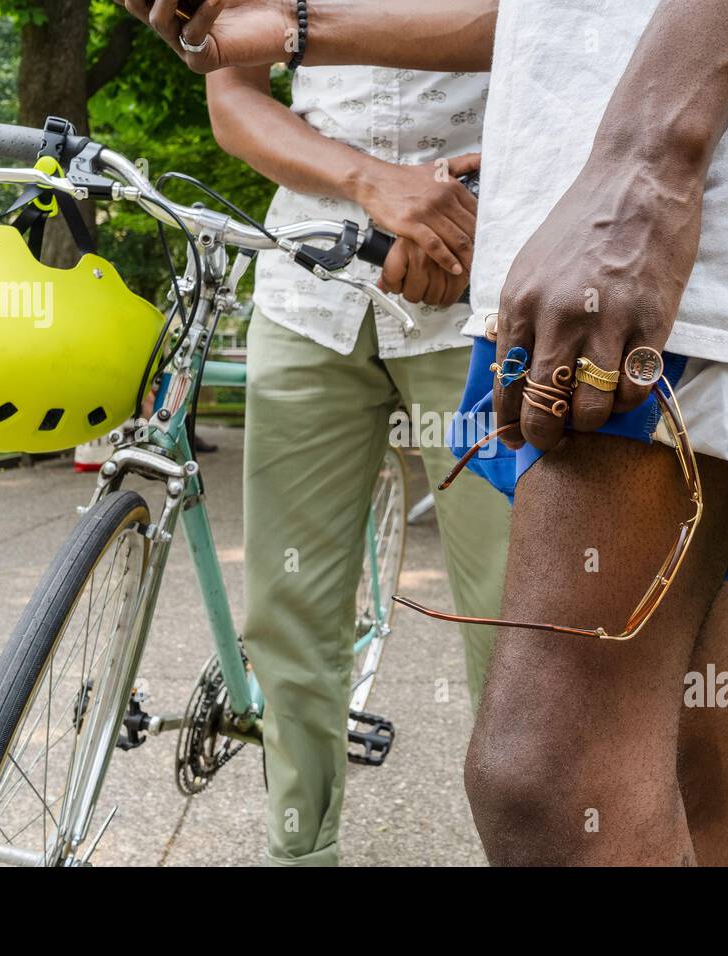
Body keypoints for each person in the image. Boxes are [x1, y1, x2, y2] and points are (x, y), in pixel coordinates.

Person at [117, 0, 728, 866]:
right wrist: (292, 30)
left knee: (545, 770)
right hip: (551, 224)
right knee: (674, 713)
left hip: (665, 205)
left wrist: (649, 164)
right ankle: (300, 849)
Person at [148, 9, 510, 867]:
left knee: (513, 621)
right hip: (310, 278)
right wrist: (369, 181)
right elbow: (233, 99)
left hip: (485, 275)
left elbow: (551, 26)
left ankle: (541, 846)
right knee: (288, 614)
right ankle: (299, 854)